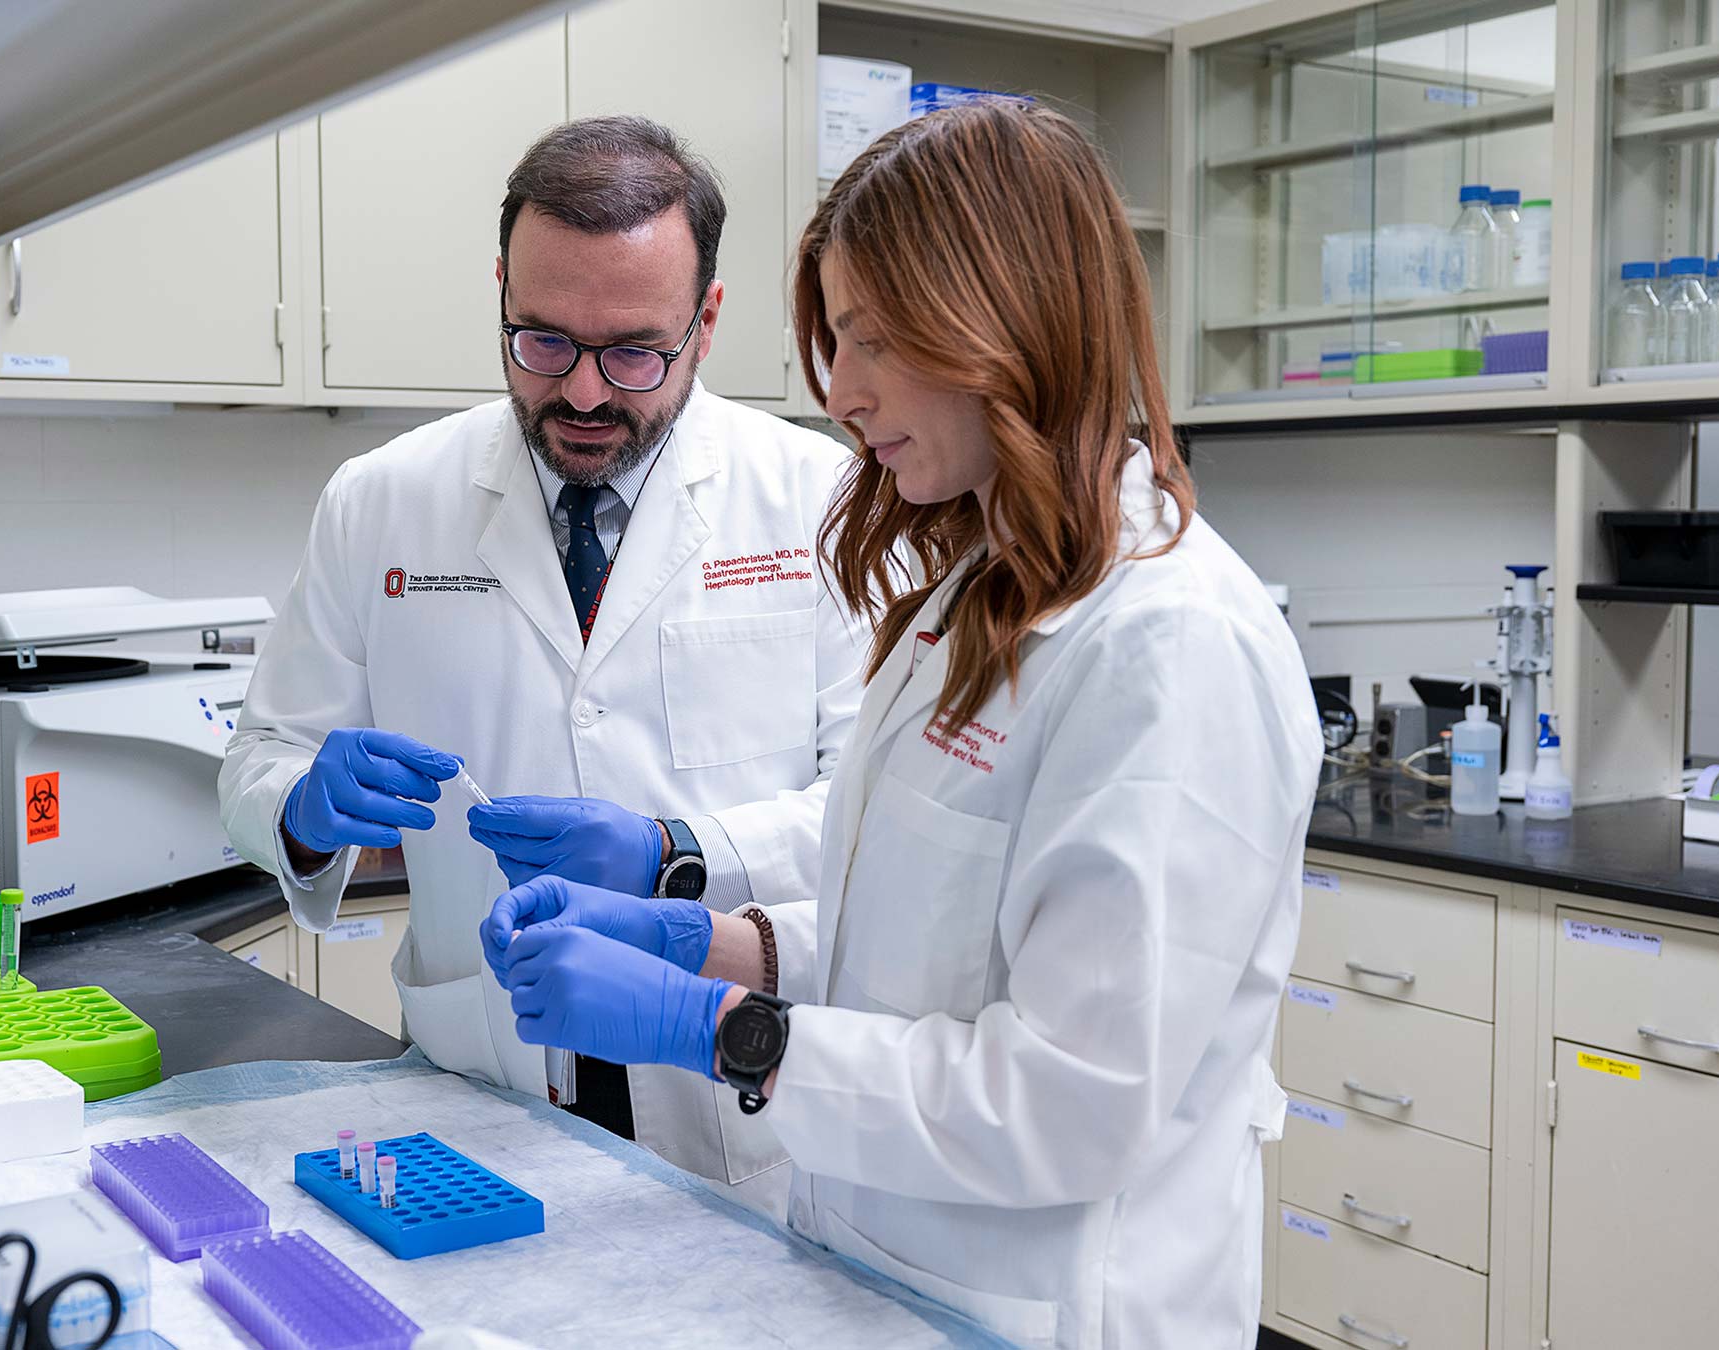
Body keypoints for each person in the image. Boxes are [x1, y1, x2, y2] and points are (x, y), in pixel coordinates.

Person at [475, 100, 1321, 1349]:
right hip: (884, 1273)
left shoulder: (1170, 642)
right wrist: (703, 942)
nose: (843, 391)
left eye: (871, 340)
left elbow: (1068, 1103)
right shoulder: (971, 591)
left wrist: (710, 1031)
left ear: (1004, 320)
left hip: (1054, 1307)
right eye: (835, 340)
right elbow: (919, 942)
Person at [219, 116, 865, 1208]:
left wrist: (676, 852)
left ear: (706, 322)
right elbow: (260, 760)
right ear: (503, 294)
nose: (579, 393)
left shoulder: (821, 497)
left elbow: (867, 807)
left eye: (631, 353)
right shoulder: (383, 500)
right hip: (482, 1071)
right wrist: (302, 811)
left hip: (726, 1082)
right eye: (543, 340)